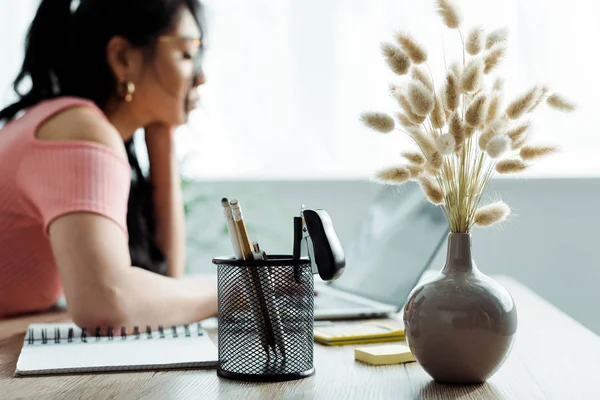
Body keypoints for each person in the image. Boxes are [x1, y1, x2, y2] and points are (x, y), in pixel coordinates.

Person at [0, 0, 218, 329]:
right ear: (122, 59)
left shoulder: (65, 121)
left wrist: (161, 138)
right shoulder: (79, 131)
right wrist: (239, 289)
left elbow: (163, 285)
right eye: (187, 53)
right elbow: (107, 303)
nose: (200, 76)